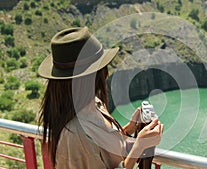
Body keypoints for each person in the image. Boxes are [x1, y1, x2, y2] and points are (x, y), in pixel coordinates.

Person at [38, 27, 164, 169]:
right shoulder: (74, 135)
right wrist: (140, 145)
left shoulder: (94, 104)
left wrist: (130, 129)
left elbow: (104, 151)